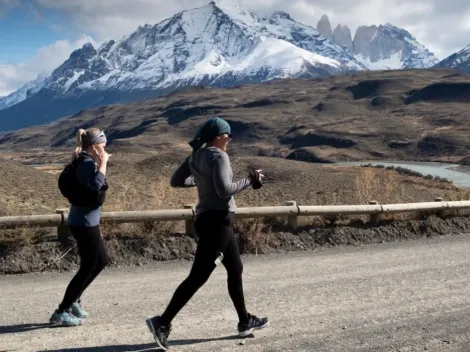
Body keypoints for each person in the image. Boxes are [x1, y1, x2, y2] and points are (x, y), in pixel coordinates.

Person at [145, 117, 269, 350]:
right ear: (220, 137)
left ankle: (244, 320)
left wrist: (203, 182)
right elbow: (225, 191)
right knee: (199, 276)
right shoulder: (219, 155)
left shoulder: (194, 156)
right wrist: (250, 181)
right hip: (218, 223)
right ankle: (162, 322)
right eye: (228, 136)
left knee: (235, 268)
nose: (230, 140)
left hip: (209, 220)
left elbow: (176, 181)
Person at [49, 128, 111, 326]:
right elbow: (96, 184)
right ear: (94, 146)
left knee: (101, 260)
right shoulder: (86, 163)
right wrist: (104, 162)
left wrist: (100, 162)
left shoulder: (85, 160)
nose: (105, 150)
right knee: (88, 267)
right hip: (84, 223)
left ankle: (74, 299)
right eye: (103, 146)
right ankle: (62, 311)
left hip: (86, 221)